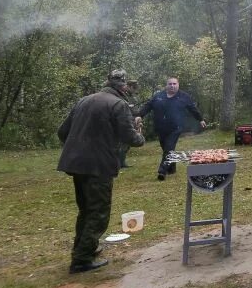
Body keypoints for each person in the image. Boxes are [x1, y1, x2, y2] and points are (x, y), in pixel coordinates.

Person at [57, 69, 145, 274]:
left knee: (86, 209)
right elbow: (130, 137)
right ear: (122, 87)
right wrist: (140, 135)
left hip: (75, 163)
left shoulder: (84, 100)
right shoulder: (118, 104)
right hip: (98, 164)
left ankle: (84, 249)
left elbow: (62, 132)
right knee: (98, 211)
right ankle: (81, 260)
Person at [140, 77, 207, 181]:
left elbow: (193, 108)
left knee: (168, 148)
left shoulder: (184, 97)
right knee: (166, 148)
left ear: (178, 85)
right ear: (166, 85)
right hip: (161, 127)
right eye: (170, 84)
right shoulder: (158, 96)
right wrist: (140, 115)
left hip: (176, 127)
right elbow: (148, 106)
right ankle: (172, 168)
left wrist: (200, 119)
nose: (172, 86)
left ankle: (162, 171)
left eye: (174, 84)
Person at [117, 78, 140, 169]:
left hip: (132, 120)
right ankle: (119, 163)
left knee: (127, 143)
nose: (135, 89)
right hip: (125, 121)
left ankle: (122, 162)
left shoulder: (133, 96)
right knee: (123, 143)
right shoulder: (122, 95)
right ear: (129, 86)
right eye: (133, 87)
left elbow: (136, 109)